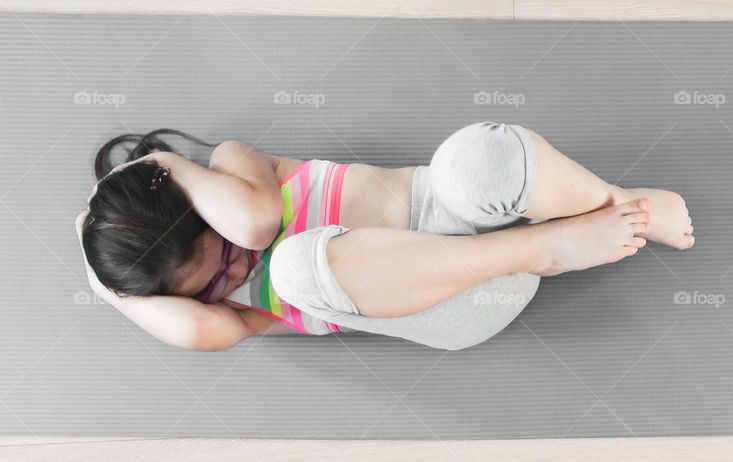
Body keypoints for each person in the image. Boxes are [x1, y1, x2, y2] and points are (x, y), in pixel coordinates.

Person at [76, 122, 694, 351]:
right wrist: (112, 291)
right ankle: (547, 248)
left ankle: (623, 205)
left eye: (224, 246)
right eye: (215, 282)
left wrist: (169, 165)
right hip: (467, 300)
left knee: (469, 155)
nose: (239, 266)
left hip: (453, 213)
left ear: (200, 193)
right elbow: (198, 333)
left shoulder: (241, 168)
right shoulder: (206, 310)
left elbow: (255, 223)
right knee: (292, 266)